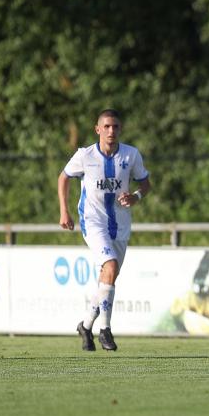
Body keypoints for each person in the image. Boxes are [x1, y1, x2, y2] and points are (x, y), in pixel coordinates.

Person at [58, 109, 151, 352]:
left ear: (120, 129)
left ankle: (86, 325)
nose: (111, 131)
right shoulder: (85, 155)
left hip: (120, 225)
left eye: (115, 127)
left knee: (108, 279)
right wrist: (64, 211)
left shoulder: (131, 155)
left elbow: (145, 184)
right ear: (97, 129)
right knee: (110, 267)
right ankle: (105, 330)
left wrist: (135, 197)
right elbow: (63, 178)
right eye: (106, 127)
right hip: (93, 222)